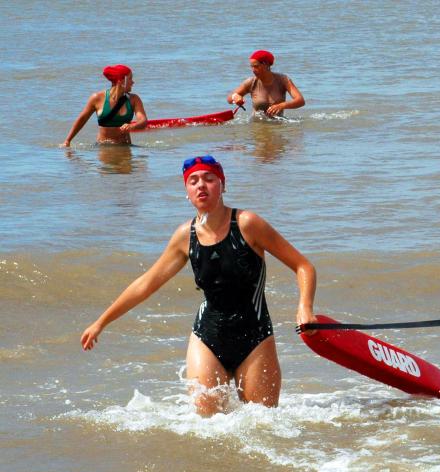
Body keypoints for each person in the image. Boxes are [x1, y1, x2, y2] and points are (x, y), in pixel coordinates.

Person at [80, 155, 317, 416]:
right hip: (207, 338)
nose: (201, 185)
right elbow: (146, 283)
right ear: (187, 192)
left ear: (222, 185)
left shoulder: (248, 224)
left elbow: (303, 266)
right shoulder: (185, 236)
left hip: (255, 338)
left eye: (209, 178)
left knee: (262, 425)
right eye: (193, 181)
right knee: (207, 428)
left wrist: (305, 307)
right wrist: (101, 321)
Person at [62, 65, 147, 147]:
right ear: (121, 81)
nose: (133, 82)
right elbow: (82, 119)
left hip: (125, 147)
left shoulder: (134, 99)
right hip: (103, 147)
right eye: (130, 79)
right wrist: (67, 141)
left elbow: (143, 121)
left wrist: (133, 126)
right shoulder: (97, 98)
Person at [227, 50, 305, 118]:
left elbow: (300, 101)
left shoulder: (283, 80)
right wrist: (235, 97)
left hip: (278, 125)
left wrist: (281, 106)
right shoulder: (251, 82)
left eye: (256, 66)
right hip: (257, 125)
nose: (253, 70)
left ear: (266, 64)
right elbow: (229, 99)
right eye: (251, 67)